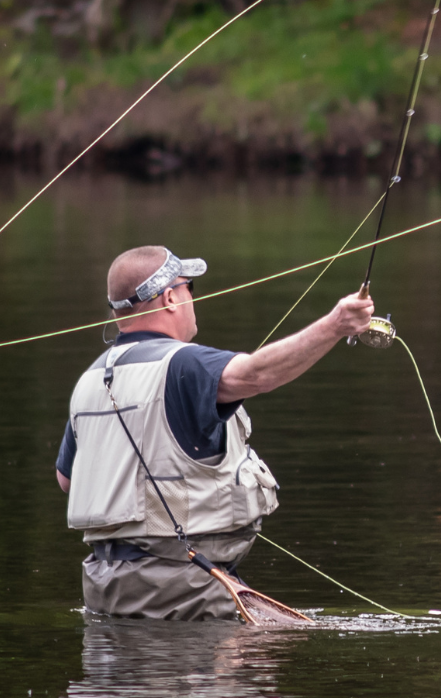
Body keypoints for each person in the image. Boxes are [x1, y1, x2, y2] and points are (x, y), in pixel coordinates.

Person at [55, 244, 375, 620]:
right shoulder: (183, 364)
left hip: (105, 592)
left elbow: (67, 480)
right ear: (171, 298)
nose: (193, 298)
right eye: (190, 287)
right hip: (181, 593)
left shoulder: (88, 381)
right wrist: (335, 325)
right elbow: (256, 374)